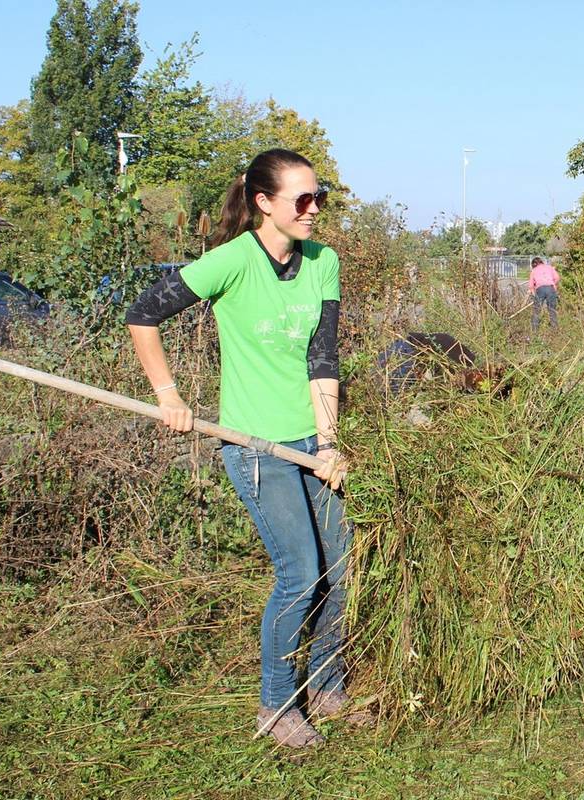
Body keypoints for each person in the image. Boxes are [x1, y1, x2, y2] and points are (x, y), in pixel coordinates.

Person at [125, 148, 362, 749]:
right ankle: (277, 706)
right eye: (301, 200)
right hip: (257, 447)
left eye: (319, 198)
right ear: (264, 203)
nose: (314, 210)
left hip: (312, 439)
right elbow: (142, 315)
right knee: (300, 573)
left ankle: (328, 686)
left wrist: (331, 444)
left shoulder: (323, 262)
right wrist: (167, 393)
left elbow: (322, 359)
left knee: (342, 566)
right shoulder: (229, 262)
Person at [527, 256, 561, 332]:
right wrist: (553, 284)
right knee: (552, 310)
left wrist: (534, 294)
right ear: (541, 262)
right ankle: (555, 330)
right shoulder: (549, 267)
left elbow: (531, 286)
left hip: (540, 289)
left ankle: (535, 330)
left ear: (533, 265)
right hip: (550, 288)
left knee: (537, 310)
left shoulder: (534, 271)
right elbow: (557, 278)